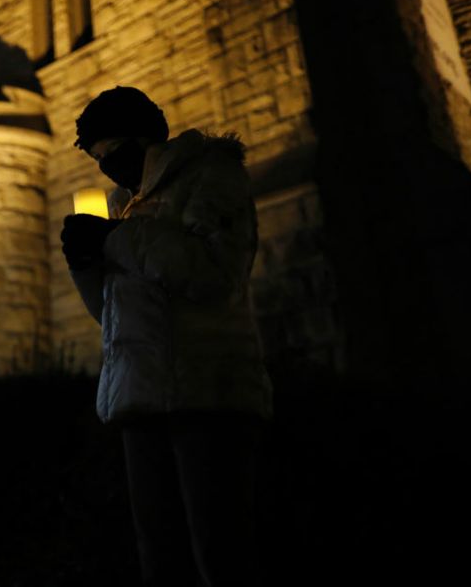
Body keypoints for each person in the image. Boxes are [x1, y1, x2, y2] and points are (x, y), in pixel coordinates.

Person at [61, 87, 272, 587]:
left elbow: (215, 273)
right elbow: (112, 318)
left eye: (107, 154)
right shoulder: (124, 207)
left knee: (220, 549)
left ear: (137, 139)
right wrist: (85, 265)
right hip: (141, 400)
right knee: (159, 553)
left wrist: (116, 240)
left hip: (207, 394)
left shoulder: (209, 176)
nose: (105, 169)